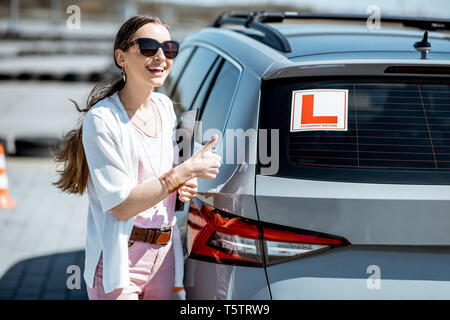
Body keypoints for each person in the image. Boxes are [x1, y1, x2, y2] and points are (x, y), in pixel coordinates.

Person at [53, 15, 221, 300]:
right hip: (120, 259)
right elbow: (122, 205)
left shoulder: (165, 107)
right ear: (121, 57)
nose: (160, 57)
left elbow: (160, 176)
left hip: (163, 257)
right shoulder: (103, 119)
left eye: (169, 49)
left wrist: (183, 185)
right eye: (147, 47)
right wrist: (184, 171)